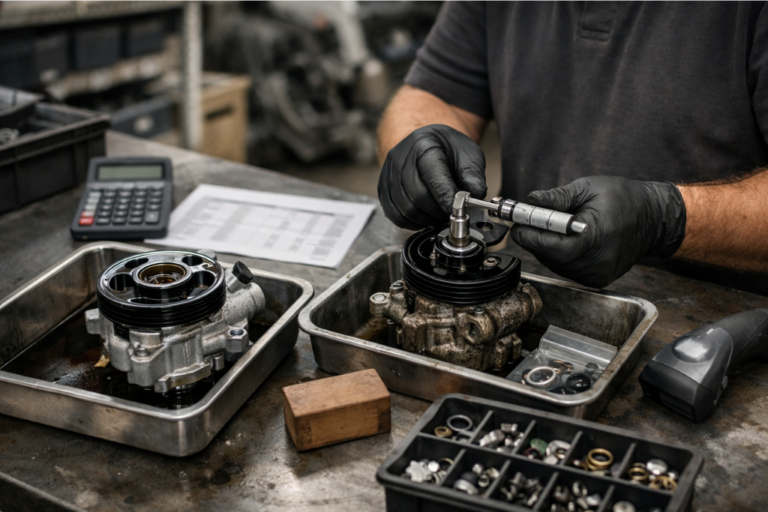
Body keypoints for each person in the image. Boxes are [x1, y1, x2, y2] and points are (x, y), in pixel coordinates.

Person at [376, 2, 768, 291]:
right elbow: (435, 92)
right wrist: (418, 147)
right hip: (528, 285)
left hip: (717, 330)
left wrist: (666, 219)